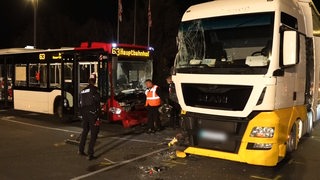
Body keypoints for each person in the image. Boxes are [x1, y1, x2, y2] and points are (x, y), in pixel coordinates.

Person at [78, 74, 101, 160]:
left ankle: (81, 149)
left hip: (84, 113)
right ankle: (90, 153)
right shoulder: (94, 90)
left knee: (85, 131)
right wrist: (98, 114)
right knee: (94, 133)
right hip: (92, 113)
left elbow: (80, 103)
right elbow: (97, 101)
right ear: (94, 81)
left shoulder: (83, 90)